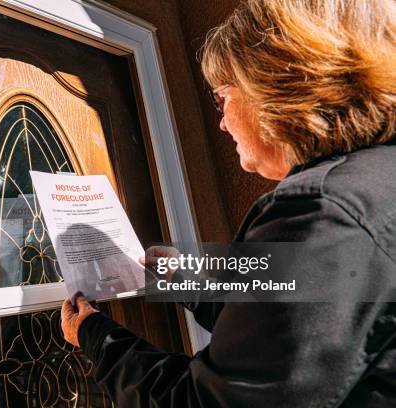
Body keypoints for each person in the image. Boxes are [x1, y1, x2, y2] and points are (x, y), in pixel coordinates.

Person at [60, 0, 396, 406]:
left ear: (271, 85)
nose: (220, 122)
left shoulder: (325, 212)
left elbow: (207, 401)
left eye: (221, 99)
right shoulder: (371, 181)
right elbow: (291, 320)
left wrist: (96, 335)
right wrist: (183, 276)